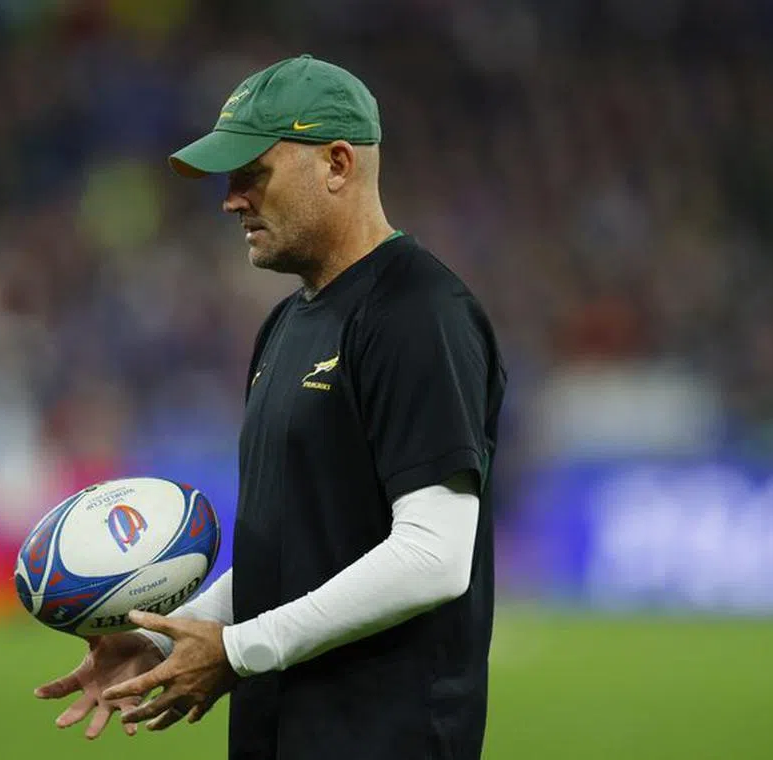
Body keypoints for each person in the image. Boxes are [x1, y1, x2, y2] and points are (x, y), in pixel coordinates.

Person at [35, 54, 507, 760]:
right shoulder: (286, 324)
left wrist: (238, 650)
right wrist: (164, 640)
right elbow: (288, 556)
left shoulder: (419, 314)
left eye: (252, 174)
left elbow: (434, 555)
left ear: (338, 164)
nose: (230, 200)